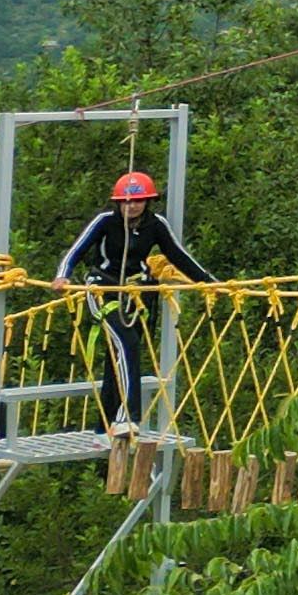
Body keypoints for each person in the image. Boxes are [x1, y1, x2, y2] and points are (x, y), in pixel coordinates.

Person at [54, 167, 212, 437]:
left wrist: (209, 282)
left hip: (135, 294)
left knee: (118, 355)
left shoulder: (156, 224)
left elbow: (177, 255)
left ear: (147, 202)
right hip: (102, 289)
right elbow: (76, 250)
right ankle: (127, 417)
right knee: (127, 344)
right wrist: (62, 275)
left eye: (138, 201)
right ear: (118, 203)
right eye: (126, 202)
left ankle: (104, 425)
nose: (132, 206)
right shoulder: (105, 221)